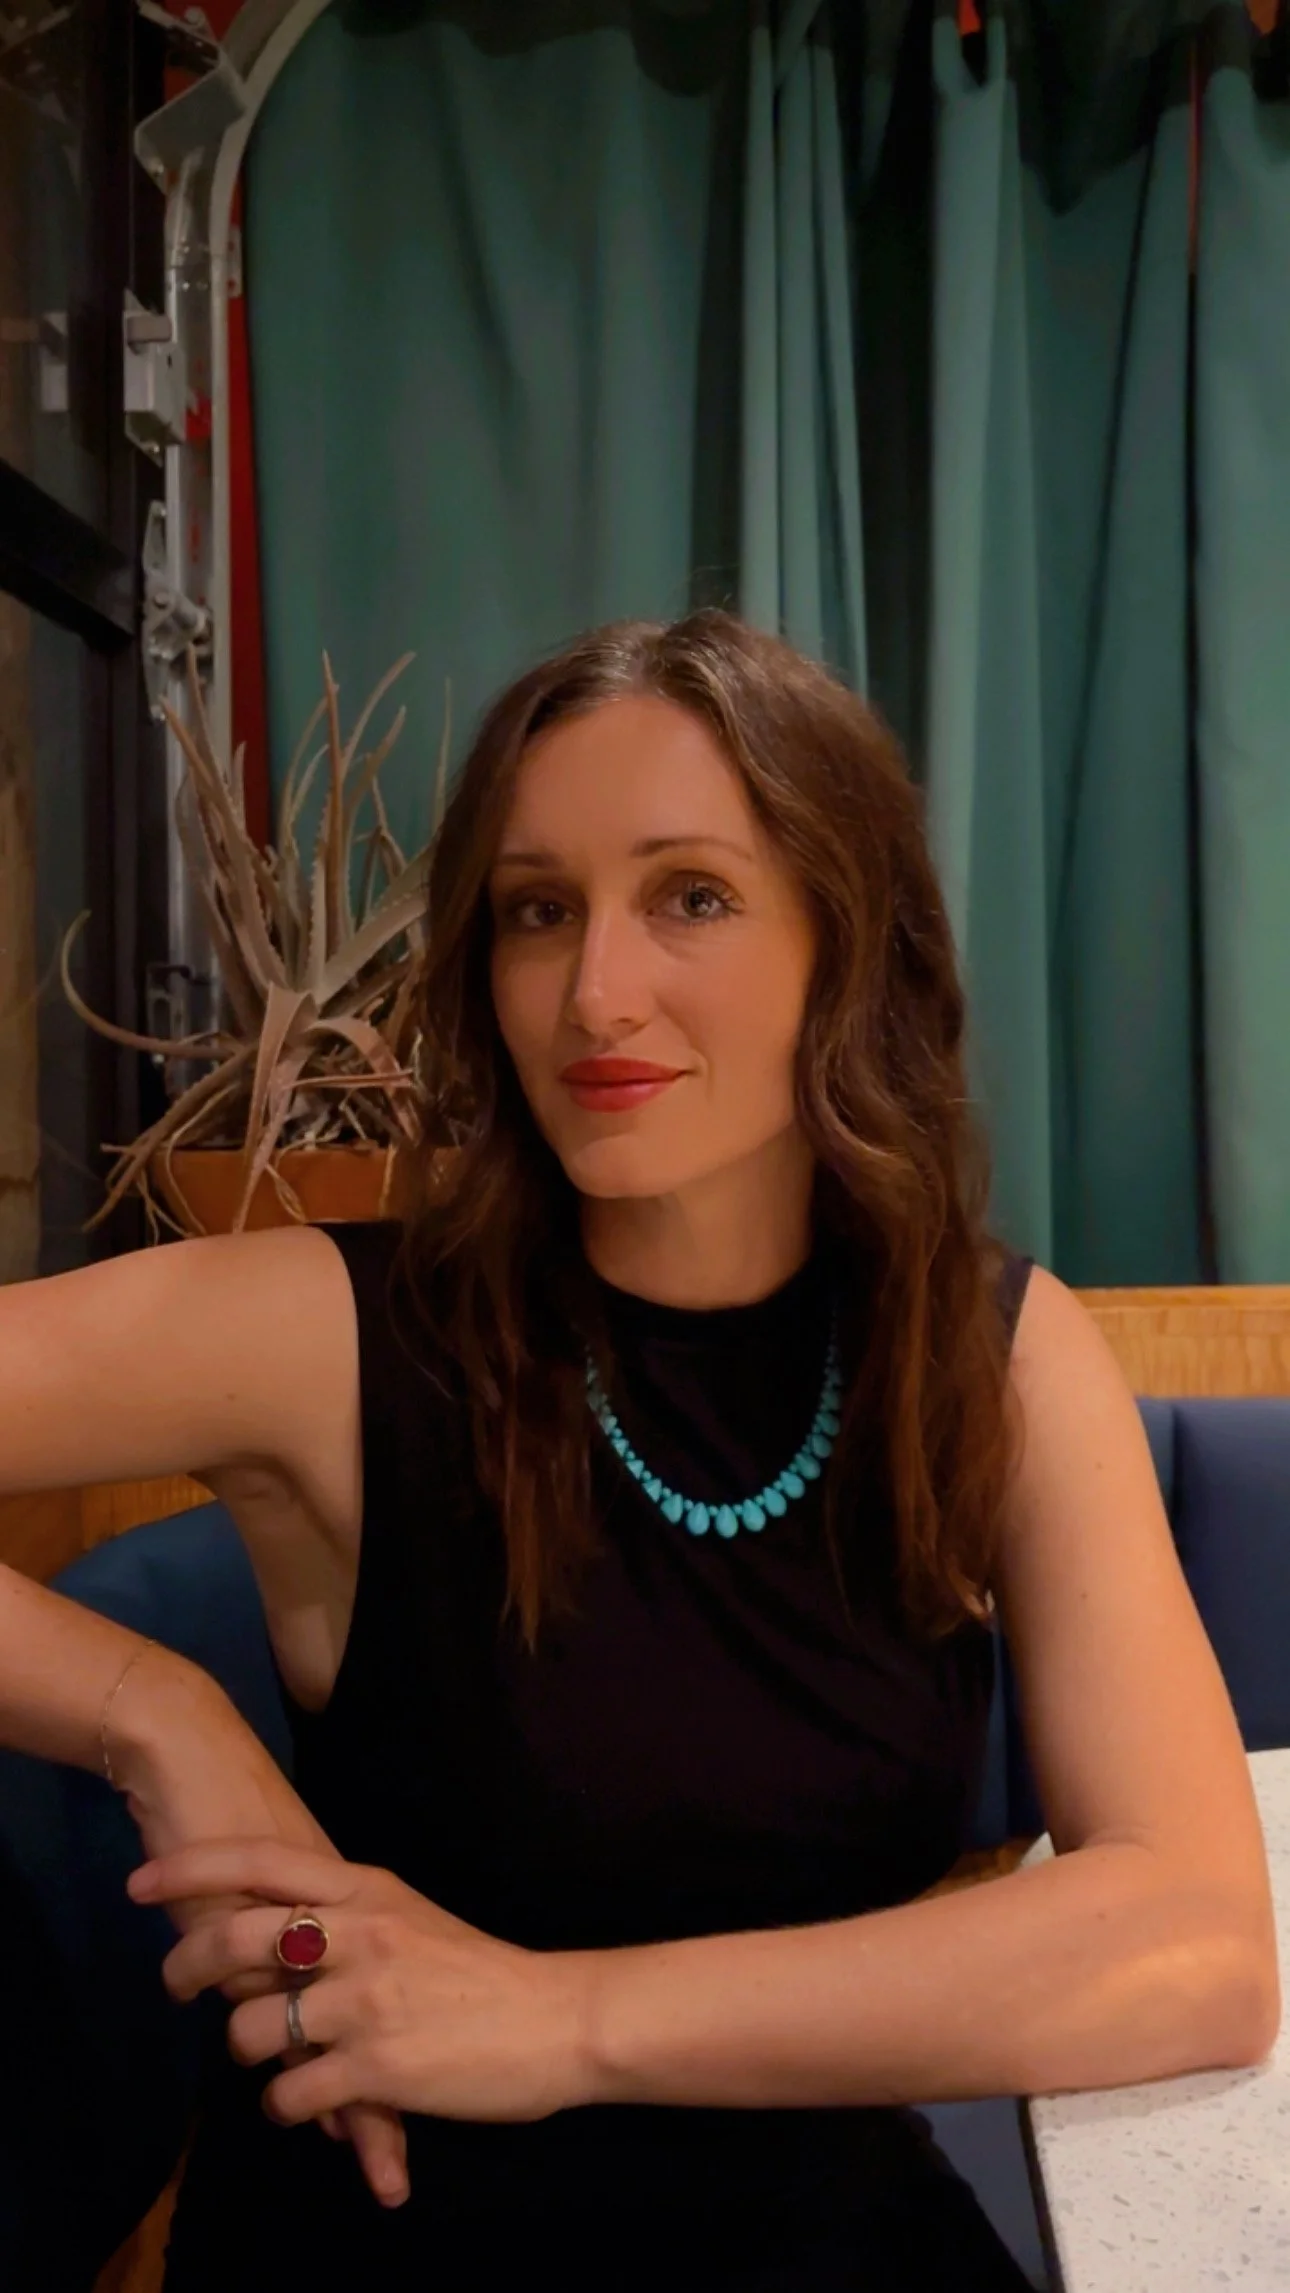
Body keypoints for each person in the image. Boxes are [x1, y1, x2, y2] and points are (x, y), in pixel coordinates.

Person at [0, 611, 1276, 2292]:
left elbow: (1194, 1946)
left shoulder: (991, 1355)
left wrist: (561, 2019)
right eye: (540, 912)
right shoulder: (328, 1331)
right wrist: (150, 1712)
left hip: (827, 2235)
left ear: (847, 934)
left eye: (689, 895)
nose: (595, 992)